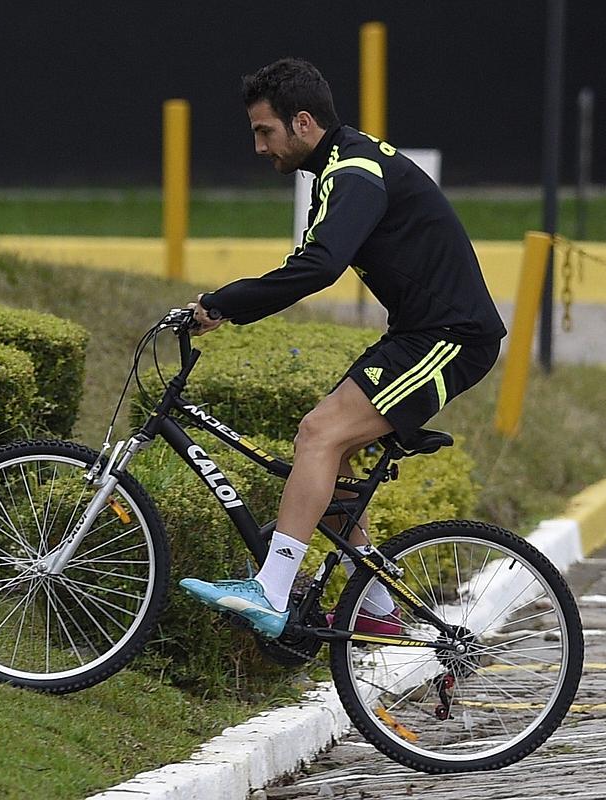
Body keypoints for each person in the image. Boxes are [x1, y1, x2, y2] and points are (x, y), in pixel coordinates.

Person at [179, 58, 506, 640]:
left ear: (303, 123)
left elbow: (320, 267)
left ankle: (271, 590)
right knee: (330, 456)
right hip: (420, 333)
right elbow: (318, 261)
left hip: (450, 336)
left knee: (318, 435)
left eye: (264, 131)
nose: (258, 147)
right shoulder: (341, 164)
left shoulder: (352, 170)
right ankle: (377, 607)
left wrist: (224, 304)